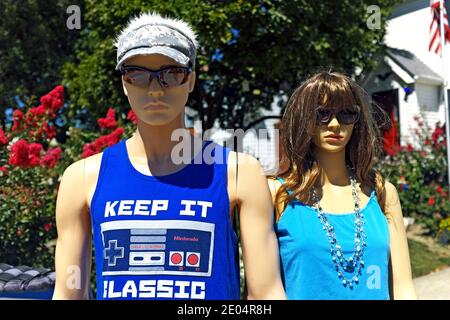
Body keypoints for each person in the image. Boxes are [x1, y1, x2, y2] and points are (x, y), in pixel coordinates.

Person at [52, 12, 285, 300]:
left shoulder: (238, 172)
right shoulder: (84, 178)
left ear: (190, 81)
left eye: (171, 73)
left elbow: (266, 294)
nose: (154, 89)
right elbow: (68, 294)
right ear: (125, 84)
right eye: (137, 74)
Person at [267, 71, 417, 300]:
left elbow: (404, 289)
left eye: (347, 114)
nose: (335, 124)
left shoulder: (383, 193)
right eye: (322, 114)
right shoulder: (277, 194)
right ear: (303, 118)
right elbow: (263, 292)